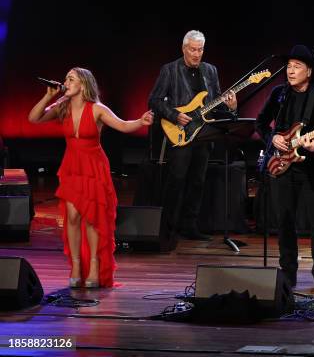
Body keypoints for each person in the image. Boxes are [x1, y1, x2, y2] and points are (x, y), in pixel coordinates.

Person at [28, 67, 153, 288]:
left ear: (83, 85)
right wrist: (49, 95)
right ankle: (76, 266)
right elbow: (34, 118)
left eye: (71, 79)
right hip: (71, 167)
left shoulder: (97, 109)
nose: (65, 82)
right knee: (73, 217)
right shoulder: (62, 107)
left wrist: (140, 122)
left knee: (92, 218)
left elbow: (123, 125)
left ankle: (94, 266)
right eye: (66, 78)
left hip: (94, 167)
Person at [256, 45, 314, 290]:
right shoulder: (279, 94)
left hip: (313, 167)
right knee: (284, 221)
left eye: (297, 67)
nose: (291, 71)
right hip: (282, 166)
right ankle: (288, 272)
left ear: (309, 71)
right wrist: (272, 138)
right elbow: (261, 122)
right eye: (289, 66)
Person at [148, 30, 237, 243]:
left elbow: (214, 105)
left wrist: (231, 108)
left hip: (204, 134)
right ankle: (168, 228)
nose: (197, 54)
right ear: (184, 49)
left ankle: (190, 226)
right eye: (193, 50)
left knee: (197, 182)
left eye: (200, 50)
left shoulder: (211, 71)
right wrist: (175, 115)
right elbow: (154, 101)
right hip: (180, 133)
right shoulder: (170, 70)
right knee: (176, 180)